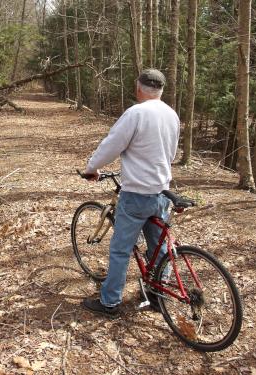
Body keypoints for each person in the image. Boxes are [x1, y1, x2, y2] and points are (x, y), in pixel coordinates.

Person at [82, 69, 180, 318]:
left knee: (120, 250)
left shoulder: (136, 113)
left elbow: (112, 145)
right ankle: (160, 296)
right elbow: (170, 152)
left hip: (136, 193)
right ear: (161, 90)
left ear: (139, 88)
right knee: (159, 250)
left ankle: (110, 302)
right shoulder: (171, 115)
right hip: (162, 193)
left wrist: (92, 168)